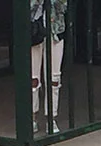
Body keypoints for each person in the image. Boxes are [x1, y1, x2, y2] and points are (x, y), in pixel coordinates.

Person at [30, 0, 69, 134]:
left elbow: (63, 6)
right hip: (34, 32)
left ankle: (51, 117)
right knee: (33, 79)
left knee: (54, 78)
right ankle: (32, 117)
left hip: (55, 32)